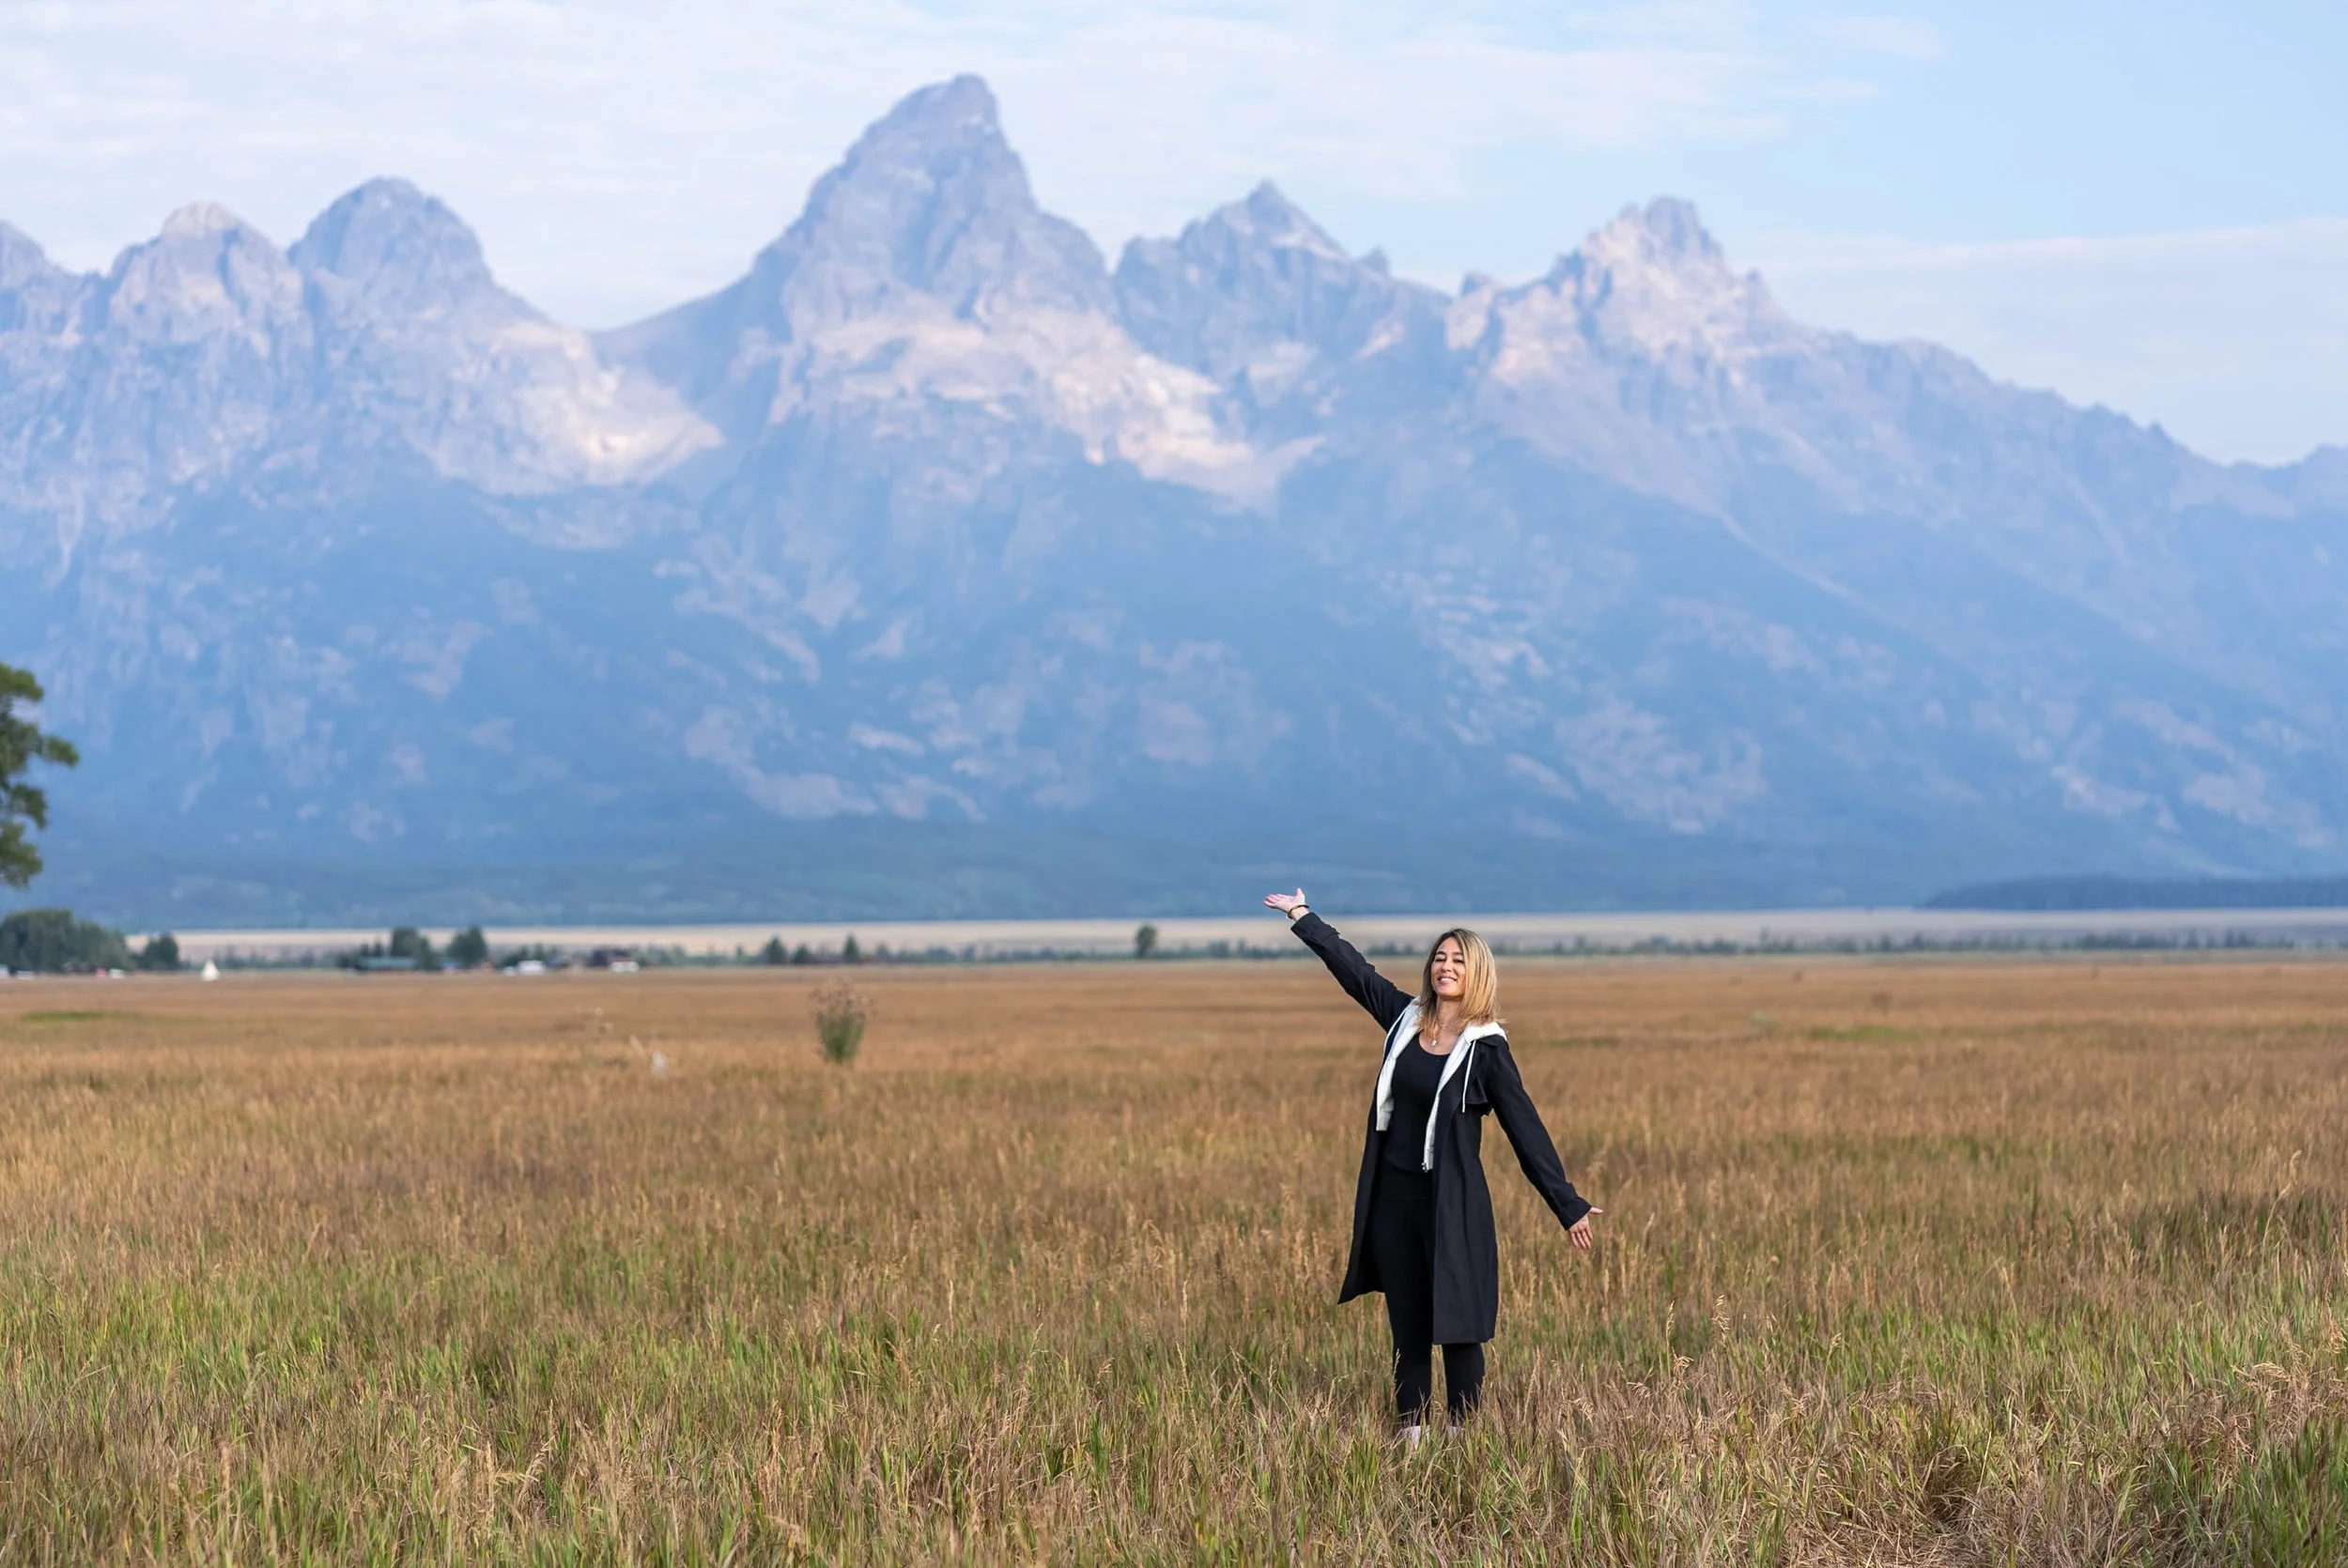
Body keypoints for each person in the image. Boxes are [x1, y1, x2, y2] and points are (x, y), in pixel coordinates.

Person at [1265, 888, 1599, 1446]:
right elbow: (1356, 973)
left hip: (1454, 1204)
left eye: (1458, 960)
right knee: (1409, 1322)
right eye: (1440, 958)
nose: (1446, 966)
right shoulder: (1404, 1021)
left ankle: (1462, 1437)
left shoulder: (1486, 1050)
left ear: (1477, 976)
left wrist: (1566, 1203)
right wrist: (1304, 917)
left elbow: (1527, 1131)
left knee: (1460, 1322)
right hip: (1395, 1199)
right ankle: (1411, 1435)